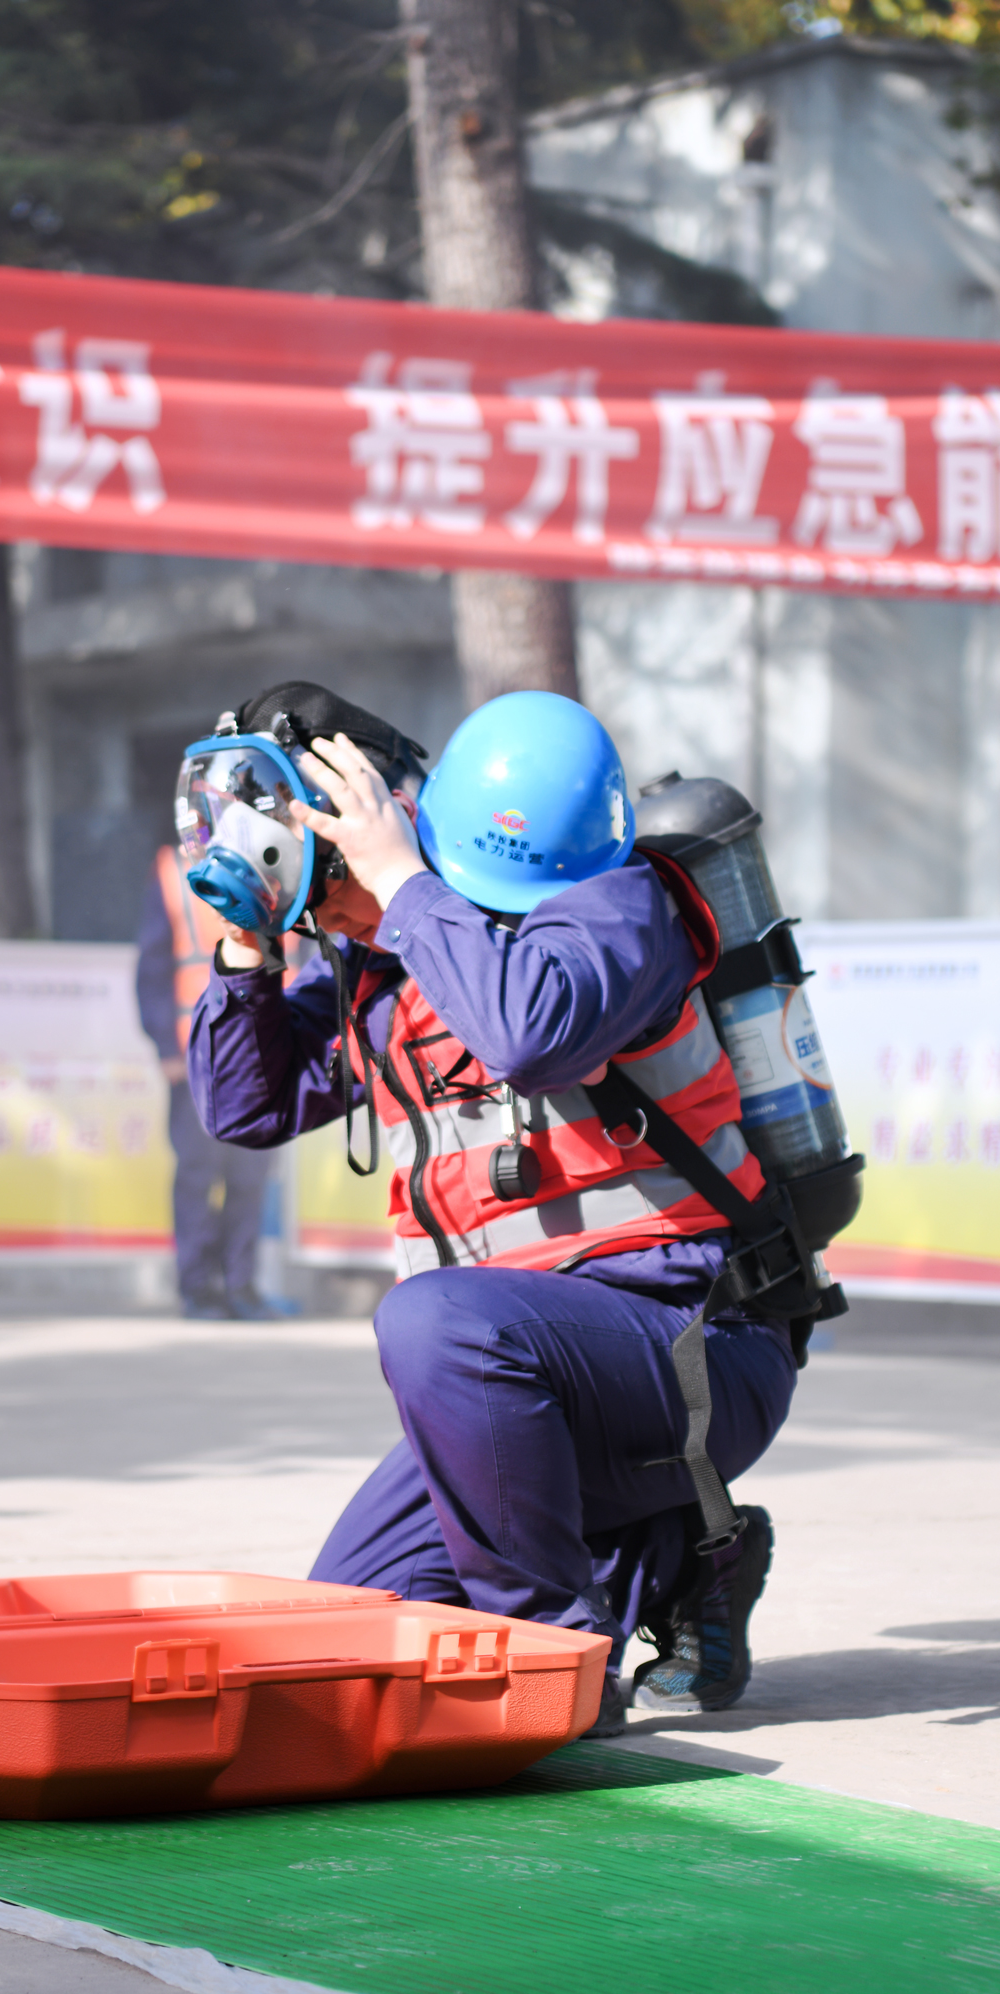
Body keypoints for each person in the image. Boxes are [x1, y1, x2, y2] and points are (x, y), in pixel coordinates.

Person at [183, 680, 793, 1733]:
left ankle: (552, 1654)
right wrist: (249, 948)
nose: (326, 912)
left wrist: (402, 884)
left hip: (694, 1345)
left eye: (324, 866)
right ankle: (685, 1555)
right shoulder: (385, 968)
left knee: (436, 1321)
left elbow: (528, 1032)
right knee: (346, 1630)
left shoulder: (616, 907)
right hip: (521, 1380)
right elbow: (247, 1105)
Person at [136, 841, 281, 1319]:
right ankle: (198, 1288)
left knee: (249, 1176)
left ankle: (241, 1287)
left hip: (260, 1055)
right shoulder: (175, 873)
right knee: (198, 1175)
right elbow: (153, 967)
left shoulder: (276, 864)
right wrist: (165, 1045)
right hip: (197, 1055)